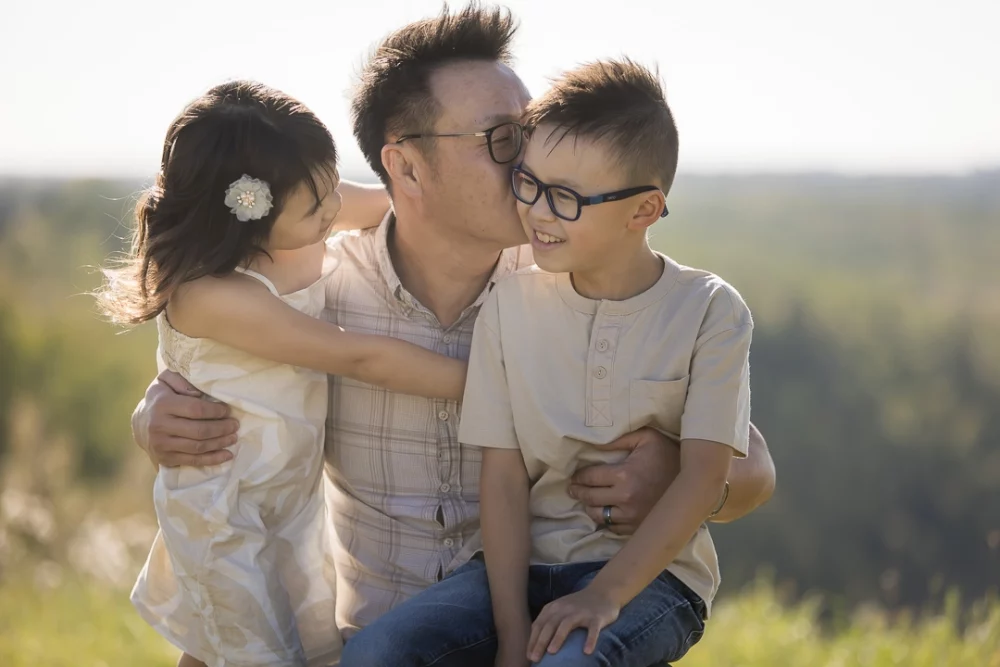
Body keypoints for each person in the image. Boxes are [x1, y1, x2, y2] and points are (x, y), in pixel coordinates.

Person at [130, 2, 775, 647]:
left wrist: (676, 481)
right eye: (502, 141)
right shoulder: (319, 289)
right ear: (406, 168)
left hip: (544, 631)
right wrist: (156, 417)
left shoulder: (579, 283)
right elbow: (219, 346)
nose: (530, 167)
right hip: (375, 642)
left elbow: (754, 474)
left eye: (531, 136)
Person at [340, 58, 749, 667]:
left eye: (564, 198)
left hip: (654, 581)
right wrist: (510, 635)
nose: (535, 210)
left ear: (643, 211)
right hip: (520, 572)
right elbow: (502, 479)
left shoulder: (709, 309)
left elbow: (707, 474)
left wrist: (605, 595)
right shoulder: (511, 304)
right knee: (379, 652)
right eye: (528, 182)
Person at [98, 80, 471, 667]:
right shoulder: (210, 295)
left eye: (331, 184)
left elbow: (392, 203)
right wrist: (484, 386)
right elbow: (357, 356)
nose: (334, 207)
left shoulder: (298, 204)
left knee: (246, 647)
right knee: (250, 649)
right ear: (248, 211)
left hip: (290, 501)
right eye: (317, 204)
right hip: (228, 505)